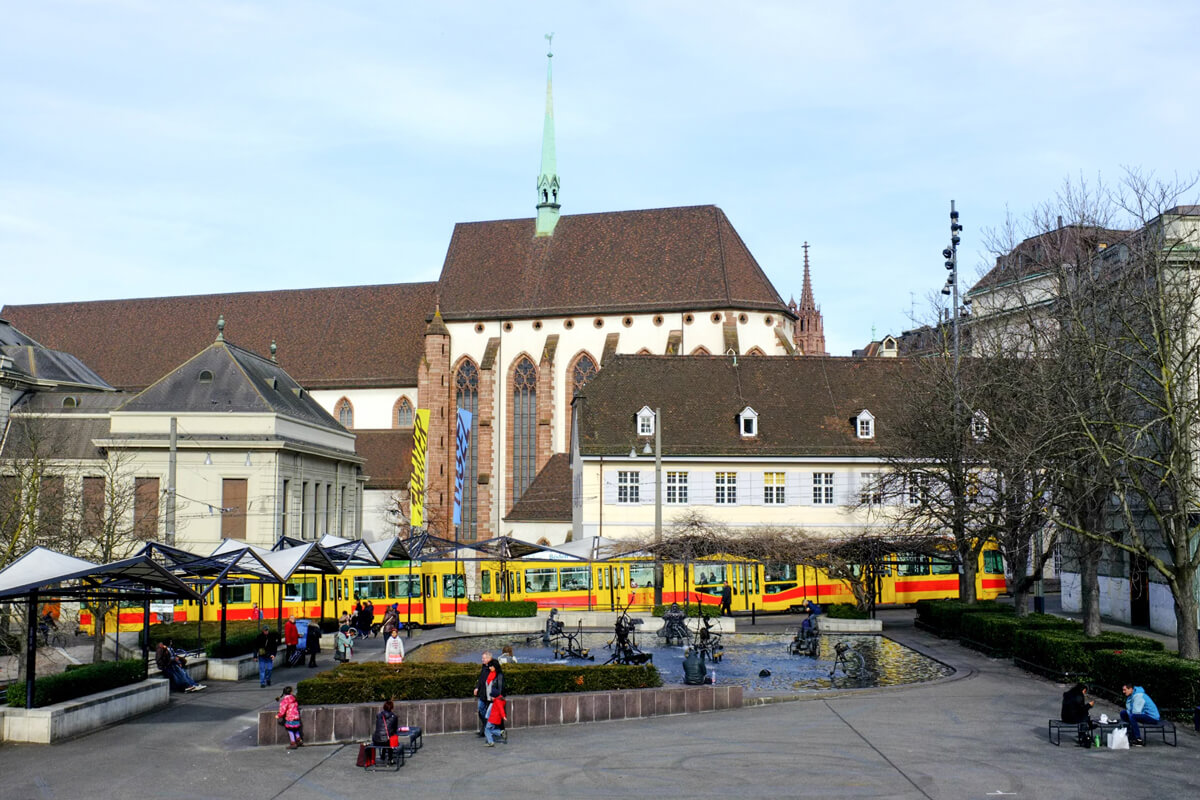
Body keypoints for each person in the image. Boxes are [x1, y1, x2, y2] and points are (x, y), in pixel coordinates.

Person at [472, 650, 493, 737]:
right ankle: (486, 726)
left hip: (489, 694)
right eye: (482, 658)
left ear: (489, 658)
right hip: (482, 693)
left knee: (485, 711)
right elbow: (481, 678)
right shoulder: (484, 666)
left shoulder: (493, 667)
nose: (482, 660)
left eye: (484, 658)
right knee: (481, 709)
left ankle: (486, 728)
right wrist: (477, 687)